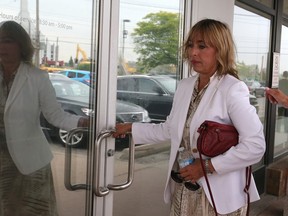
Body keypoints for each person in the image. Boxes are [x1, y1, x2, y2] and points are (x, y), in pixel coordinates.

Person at [113, 19, 266, 216]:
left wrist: (206, 167)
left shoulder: (232, 88)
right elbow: (170, 129)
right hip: (185, 189)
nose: (193, 52)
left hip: (218, 197)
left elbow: (255, 146)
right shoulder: (186, 86)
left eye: (202, 46)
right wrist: (130, 128)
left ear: (220, 50)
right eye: (190, 45)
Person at [0, 20, 89, 215]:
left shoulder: (37, 77)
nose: (2, 46)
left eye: (7, 41)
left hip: (32, 162)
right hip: (2, 162)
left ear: (20, 45)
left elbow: (54, 115)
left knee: (35, 211)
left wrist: (83, 122)